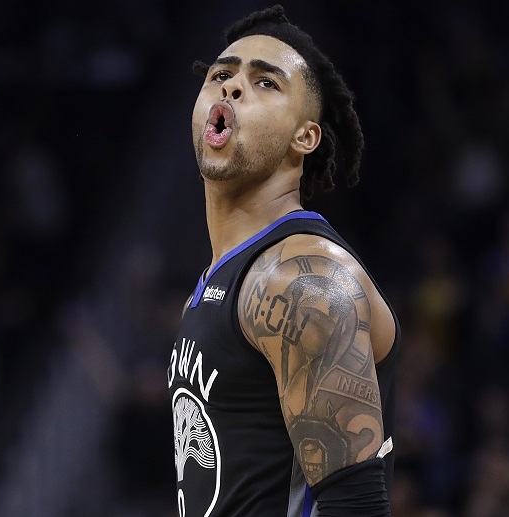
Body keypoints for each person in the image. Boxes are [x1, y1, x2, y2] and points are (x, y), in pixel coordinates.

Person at [166, 5, 401, 516]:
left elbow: (356, 508)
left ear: (305, 137)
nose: (232, 87)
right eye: (221, 76)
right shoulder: (217, 285)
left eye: (265, 82)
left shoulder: (302, 280)